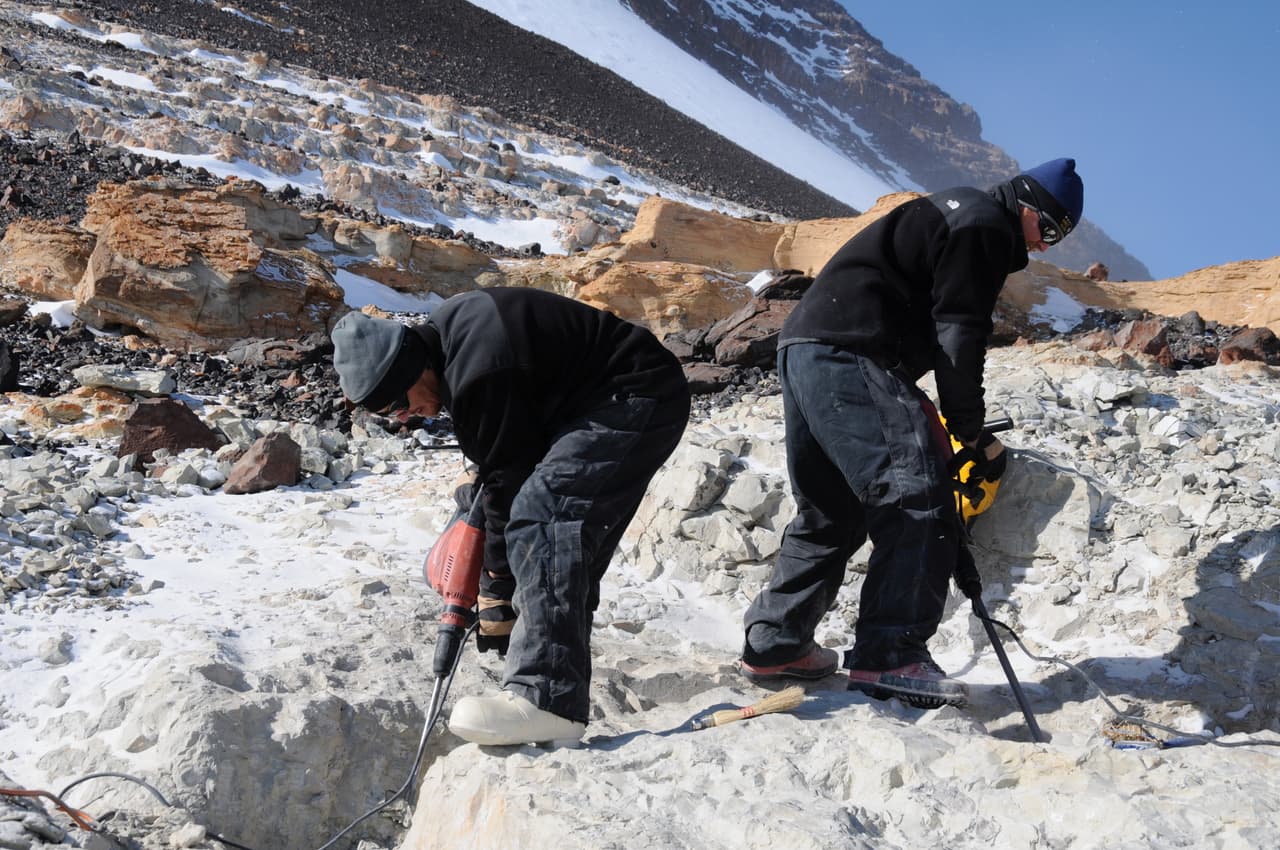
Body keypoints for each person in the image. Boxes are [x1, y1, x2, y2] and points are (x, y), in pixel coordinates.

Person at [739, 158, 1085, 708]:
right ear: (1026, 204)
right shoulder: (983, 225)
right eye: (1048, 229)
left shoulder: (956, 209)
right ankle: (891, 654)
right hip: (854, 352)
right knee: (918, 496)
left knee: (833, 509)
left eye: (1058, 238)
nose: (1045, 246)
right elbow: (960, 329)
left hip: (805, 349)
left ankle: (776, 642)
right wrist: (967, 427)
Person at [331, 287, 690, 745]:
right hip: (586, 405)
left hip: (636, 392)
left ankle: (547, 698)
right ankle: (553, 691)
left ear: (412, 369)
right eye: (389, 416)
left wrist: (498, 584)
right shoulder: (451, 349)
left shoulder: (477, 370)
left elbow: (510, 484)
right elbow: (494, 475)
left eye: (397, 405)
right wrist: (498, 582)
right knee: (555, 542)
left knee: (544, 515)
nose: (404, 420)